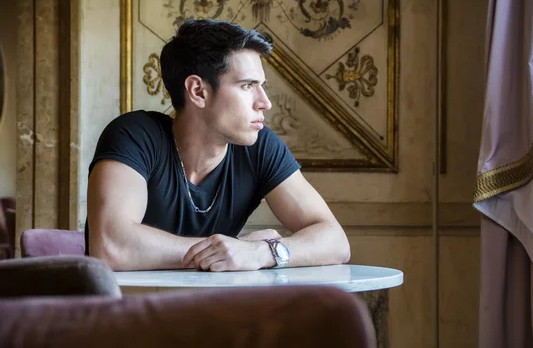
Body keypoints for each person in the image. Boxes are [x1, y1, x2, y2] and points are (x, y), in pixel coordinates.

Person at [85, 19, 350, 271]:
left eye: (262, 86)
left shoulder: (260, 146)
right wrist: (226, 250)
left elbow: (335, 242)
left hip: (214, 313)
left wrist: (260, 252)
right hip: (125, 313)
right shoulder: (135, 135)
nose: (265, 102)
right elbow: (111, 245)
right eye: (248, 86)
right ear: (198, 91)